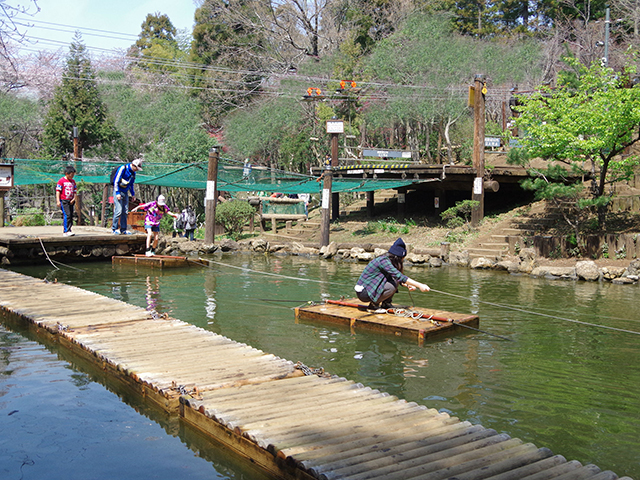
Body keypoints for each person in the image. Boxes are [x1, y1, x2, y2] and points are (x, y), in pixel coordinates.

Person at [354, 238, 430, 311]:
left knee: (394, 281)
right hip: (364, 292)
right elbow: (399, 276)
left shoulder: (390, 261)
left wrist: (407, 285)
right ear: (397, 257)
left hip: (372, 289)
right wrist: (420, 285)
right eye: (402, 258)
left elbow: (398, 278)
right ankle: (373, 306)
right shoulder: (383, 261)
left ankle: (386, 304)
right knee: (391, 286)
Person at [112, 158, 143, 235]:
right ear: (133, 165)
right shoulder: (123, 168)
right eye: (136, 168)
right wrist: (117, 193)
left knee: (125, 212)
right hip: (118, 191)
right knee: (118, 210)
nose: (136, 170)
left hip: (125, 193)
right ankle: (114, 229)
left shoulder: (133, 173)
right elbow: (116, 181)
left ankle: (123, 229)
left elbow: (131, 184)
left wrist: (133, 194)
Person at [56, 165, 77, 237]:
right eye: (71, 175)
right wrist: (58, 201)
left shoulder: (73, 182)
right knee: (67, 215)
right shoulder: (61, 181)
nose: (72, 176)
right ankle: (66, 231)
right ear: (66, 174)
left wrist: (74, 199)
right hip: (64, 200)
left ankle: (69, 229)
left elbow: (75, 191)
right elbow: (58, 191)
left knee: (71, 215)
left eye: (73, 175)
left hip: (71, 200)